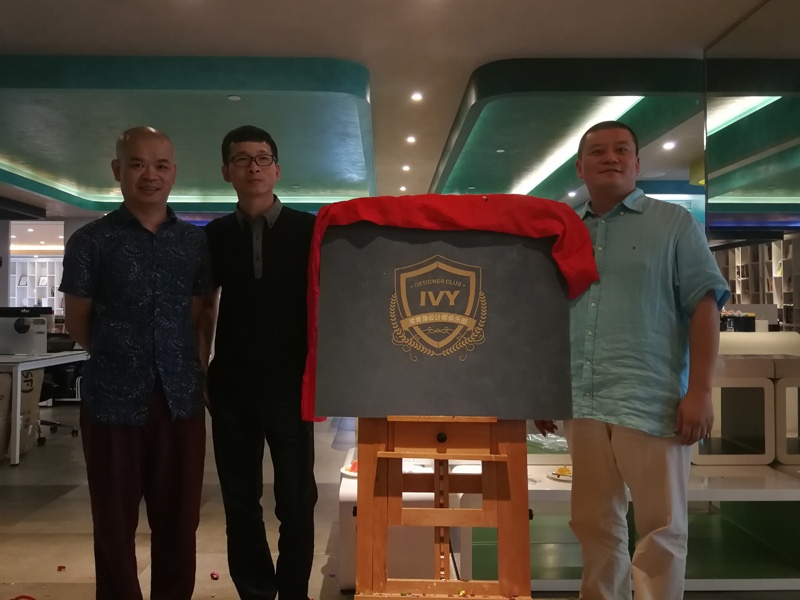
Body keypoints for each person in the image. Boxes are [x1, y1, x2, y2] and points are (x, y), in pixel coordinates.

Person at [536, 121, 729, 600]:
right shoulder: (562, 231)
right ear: (580, 167)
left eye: (622, 150)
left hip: (654, 401)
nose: (611, 158)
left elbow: (705, 305)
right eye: (598, 151)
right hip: (582, 400)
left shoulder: (673, 223)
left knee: (662, 529)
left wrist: (700, 391)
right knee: (593, 524)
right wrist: (544, 387)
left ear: (637, 164)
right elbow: (547, 312)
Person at [60, 126, 212, 600]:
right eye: (138, 164)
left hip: (180, 400)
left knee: (180, 523)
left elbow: (199, 313)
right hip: (111, 401)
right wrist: (120, 355)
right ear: (117, 170)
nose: (150, 175)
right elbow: (78, 319)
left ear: (173, 172)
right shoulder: (91, 240)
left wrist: (190, 368)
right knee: (112, 523)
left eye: (161, 165)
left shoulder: (193, 243)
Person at [200, 125, 317, 600]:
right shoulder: (213, 236)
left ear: (277, 169)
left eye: (262, 158)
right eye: (242, 159)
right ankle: (254, 592)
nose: (253, 167)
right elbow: (205, 306)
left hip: (291, 386)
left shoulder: (309, 230)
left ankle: (293, 592)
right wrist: (200, 367)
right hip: (231, 387)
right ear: (226, 171)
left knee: (297, 500)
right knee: (240, 501)